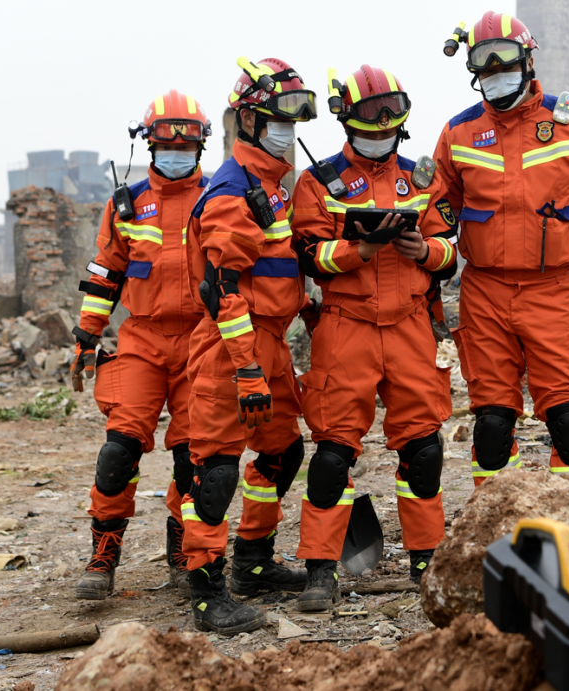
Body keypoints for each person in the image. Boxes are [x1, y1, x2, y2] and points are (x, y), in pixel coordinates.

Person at [434, 11, 569, 486]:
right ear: (476, 76)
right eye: (486, 71)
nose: (496, 77)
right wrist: (428, 288)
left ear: (527, 61)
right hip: (484, 293)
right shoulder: (458, 135)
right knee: (493, 427)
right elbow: (436, 216)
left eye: (504, 66)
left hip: (551, 290)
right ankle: (501, 531)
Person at [289, 64, 457, 604]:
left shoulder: (423, 179)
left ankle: (425, 557)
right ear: (345, 117)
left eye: (391, 111)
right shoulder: (318, 182)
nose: (382, 123)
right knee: (334, 453)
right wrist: (359, 249)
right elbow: (310, 256)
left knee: (424, 449)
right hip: (346, 326)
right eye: (369, 113)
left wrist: (424, 251)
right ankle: (320, 568)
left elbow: (450, 252)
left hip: (410, 324)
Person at [181, 57, 318, 634]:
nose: (289, 128)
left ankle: (253, 560)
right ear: (249, 122)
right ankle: (208, 591)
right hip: (230, 350)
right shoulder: (234, 190)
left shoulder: (271, 187)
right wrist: (245, 371)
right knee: (214, 469)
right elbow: (223, 293)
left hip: (270, 344)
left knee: (283, 452)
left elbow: (276, 270)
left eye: (296, 116)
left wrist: (309, 312)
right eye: (277, 117)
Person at [70, 90, 210, 601]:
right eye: (166, 141)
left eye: (187, 141)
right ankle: (103, 554)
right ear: (147, 143)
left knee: (194, 457)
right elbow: (106, 273)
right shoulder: (126, 204)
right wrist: (88, 334)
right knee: (118, 450)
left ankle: (185, 548)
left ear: (201, 145)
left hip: (203, 340)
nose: (176, 150)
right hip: (143, 339)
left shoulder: (218, 196)